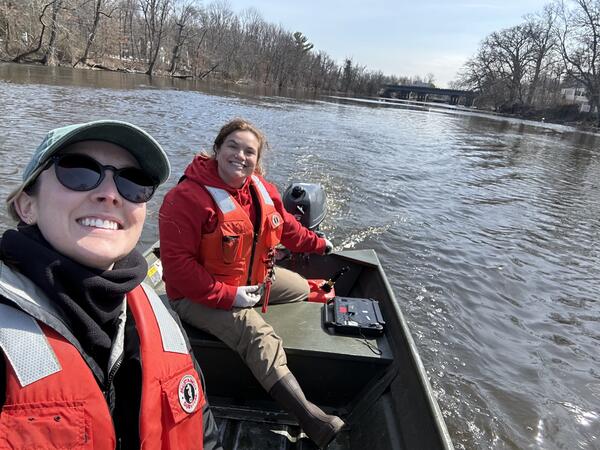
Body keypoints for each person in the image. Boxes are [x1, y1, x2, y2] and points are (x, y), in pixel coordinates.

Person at [0, 120, 222, 450]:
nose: (109, 195)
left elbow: (206, 438)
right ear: (27, 206)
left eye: (133, 182)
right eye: (77, 171)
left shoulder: (159, 317)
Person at [159, 118, 344, 449]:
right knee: (257, 334)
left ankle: (289, 295)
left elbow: (286, 227)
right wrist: (229, 297)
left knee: (301, 288)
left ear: (257, 161)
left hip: (254, 282)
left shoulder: (262, 189)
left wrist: (319, 244)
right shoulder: (184, 198)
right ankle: (312, 419)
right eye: (232, 146)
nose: (240, 156)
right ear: (217, 149)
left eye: (249, 152)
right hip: (195, 296)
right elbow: (178, 271)